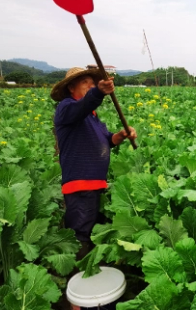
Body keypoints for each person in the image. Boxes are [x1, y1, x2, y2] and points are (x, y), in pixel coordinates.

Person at [51, 67, 137, 257]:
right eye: (85, 83)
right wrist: (98, 91)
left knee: (92, 230)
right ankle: (79, 273)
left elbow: (108, 140)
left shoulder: (92, 116)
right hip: (80, 185)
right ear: (71, 87)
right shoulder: (67, 107)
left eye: (92, 83)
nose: (90, 86)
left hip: (95, 184)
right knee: (80, 233)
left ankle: (91, 267)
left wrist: (122, 135)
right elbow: (81, 107)